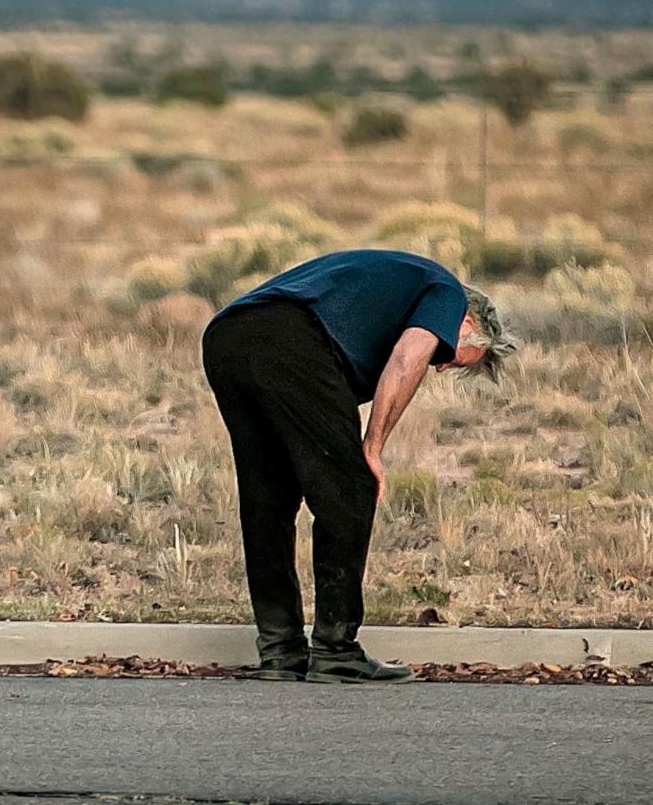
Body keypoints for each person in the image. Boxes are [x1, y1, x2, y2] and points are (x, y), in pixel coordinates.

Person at [201, 249, 517, 683]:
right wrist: (373, 447)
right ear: (468, 323)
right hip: (289, 336)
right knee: (351, 489)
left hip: (227, 337)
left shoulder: (396, 290)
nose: (441, 365)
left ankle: (281, 653)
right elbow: (408, 359)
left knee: (268, 500)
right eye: (454, 356)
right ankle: (336, 651)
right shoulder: (446, 293)